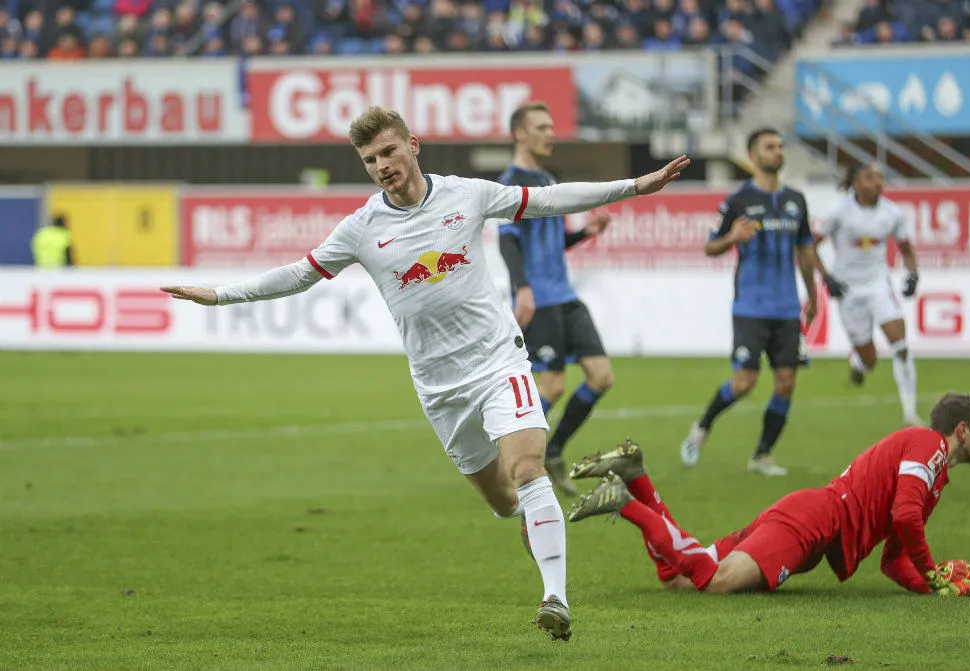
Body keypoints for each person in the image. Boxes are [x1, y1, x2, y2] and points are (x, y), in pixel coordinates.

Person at [161, 105, 692, 641]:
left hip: (497, 360)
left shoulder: (469, 194)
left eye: (388, 151)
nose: (381, 165)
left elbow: (551, 201)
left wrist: (635, 186)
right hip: (440, 389)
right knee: (508, 501)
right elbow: (301, 274)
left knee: (528, 469)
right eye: (370, 159)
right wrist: (221, 295)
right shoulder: (362, 228)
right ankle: (548, 527)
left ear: (412, 146)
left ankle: (556, 598)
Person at [568, 391, 970, 596]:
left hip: (811, 523)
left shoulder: (933, 476)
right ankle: (623, 502)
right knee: (715, 583)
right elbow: (904, 515)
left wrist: (931, 587)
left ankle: (637, 479)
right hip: (814, 521)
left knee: (678, 579)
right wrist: (933, 570)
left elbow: (894, 559)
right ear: (962, 430)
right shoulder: (929, 444)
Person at [679, 127, 836, 476]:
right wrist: (732, 236)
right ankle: (703, 425)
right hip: (750, 307)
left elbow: (805, 251)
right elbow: (710, 247)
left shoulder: (796, 199)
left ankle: (762, 455)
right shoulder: (738, 201)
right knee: (744, 383)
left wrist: (812, 295)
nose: (777, 151)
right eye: (770, 147)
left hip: (786, 310)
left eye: (780, 146)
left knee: (786, 383)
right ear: (753, 156)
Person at [497, 101, 615, 497]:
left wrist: (586, 232)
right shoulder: (511, 185)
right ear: (520, 134)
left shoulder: (548, 178)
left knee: (601, 377)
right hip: (541, 299)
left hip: (566, 296)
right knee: (552, 386)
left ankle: (556, 448)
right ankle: (512, 458)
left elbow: (554, 240)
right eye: (542, 127)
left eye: (551, 126)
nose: (551, 133)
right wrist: (522, 288)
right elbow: (508, 241)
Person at [817, 163, 923, 426]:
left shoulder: (892, 213)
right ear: (855, 184)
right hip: (848, 290)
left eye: (879, 177)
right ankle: (858, 362)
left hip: (878, 285)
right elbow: (809, 245)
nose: (877, 182)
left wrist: (912, 274)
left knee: (900, 345)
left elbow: (906, 250)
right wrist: (827, 277)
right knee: (870, 359)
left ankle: (910, 413)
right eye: (869, 177)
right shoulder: (839, 212)